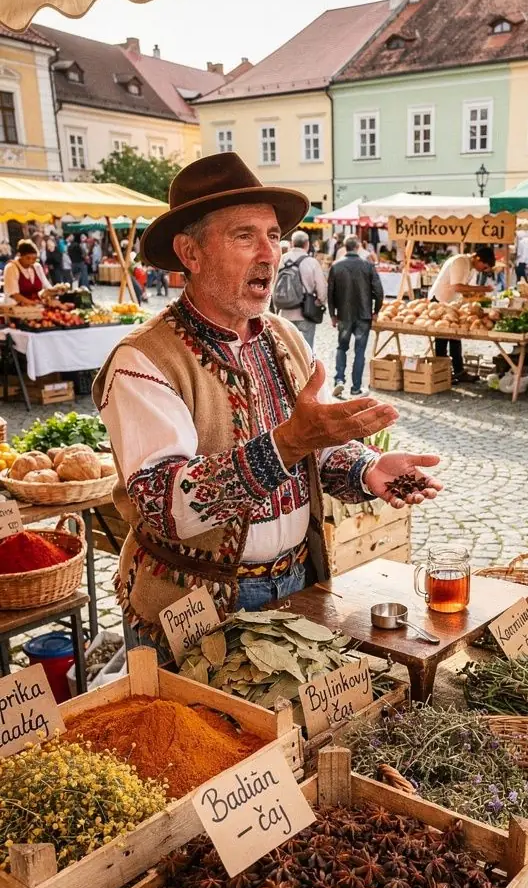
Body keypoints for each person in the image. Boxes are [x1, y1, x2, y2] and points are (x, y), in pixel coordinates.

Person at [94, 153, 441, 657]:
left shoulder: (284, 338)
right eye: (244, 236)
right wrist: (289, 441)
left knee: (295, 733)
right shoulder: (143, 360)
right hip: (194, 604)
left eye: (274, 235)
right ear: (189, 252)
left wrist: (368, 469)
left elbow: (313, 451)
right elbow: (165, 506)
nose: (269, 254)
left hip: (299, 581)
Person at [428, 244, 495, 383]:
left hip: (451, 302)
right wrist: (481, 288)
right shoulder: (461, 262)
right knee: (442, 339)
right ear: (477, 258)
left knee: (455, 337)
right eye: (485, 266)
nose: (485, 270)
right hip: (440, 300)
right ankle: (443, 374)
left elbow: (462, 289)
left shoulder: (470, 266)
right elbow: (457, 286)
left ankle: (458, 371)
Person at [328, 235, 384, 397]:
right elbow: (379, 291)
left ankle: (339, 380)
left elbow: (330, 293)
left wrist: (333, 314)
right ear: (358, 247)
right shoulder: (367, 265)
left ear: (345, 247)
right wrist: (376, 311)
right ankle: (356, 387)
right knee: (360, 351)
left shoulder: (336, 266)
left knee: (342, 347)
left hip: (344, 315)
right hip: (363, 314)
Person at [273, 228, 327, 350]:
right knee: (306, 350)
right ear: (307, 244)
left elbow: (273, 284)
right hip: (306, 312)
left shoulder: (281, 259)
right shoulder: (311, 262)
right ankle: (306, 368)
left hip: (284, 312)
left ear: (292, 243)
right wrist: (320, 302)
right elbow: (322, 289)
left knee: (287, 349)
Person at [2, 237, 52, 303]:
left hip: (36, 305)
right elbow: (13, 294)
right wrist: (32, 303)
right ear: (20, 256)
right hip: (16, 307)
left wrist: (54, 291)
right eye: (28, 258)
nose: (31, 261)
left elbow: (46, 285)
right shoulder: (11, 268)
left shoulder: (37, 267)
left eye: (34, 259)